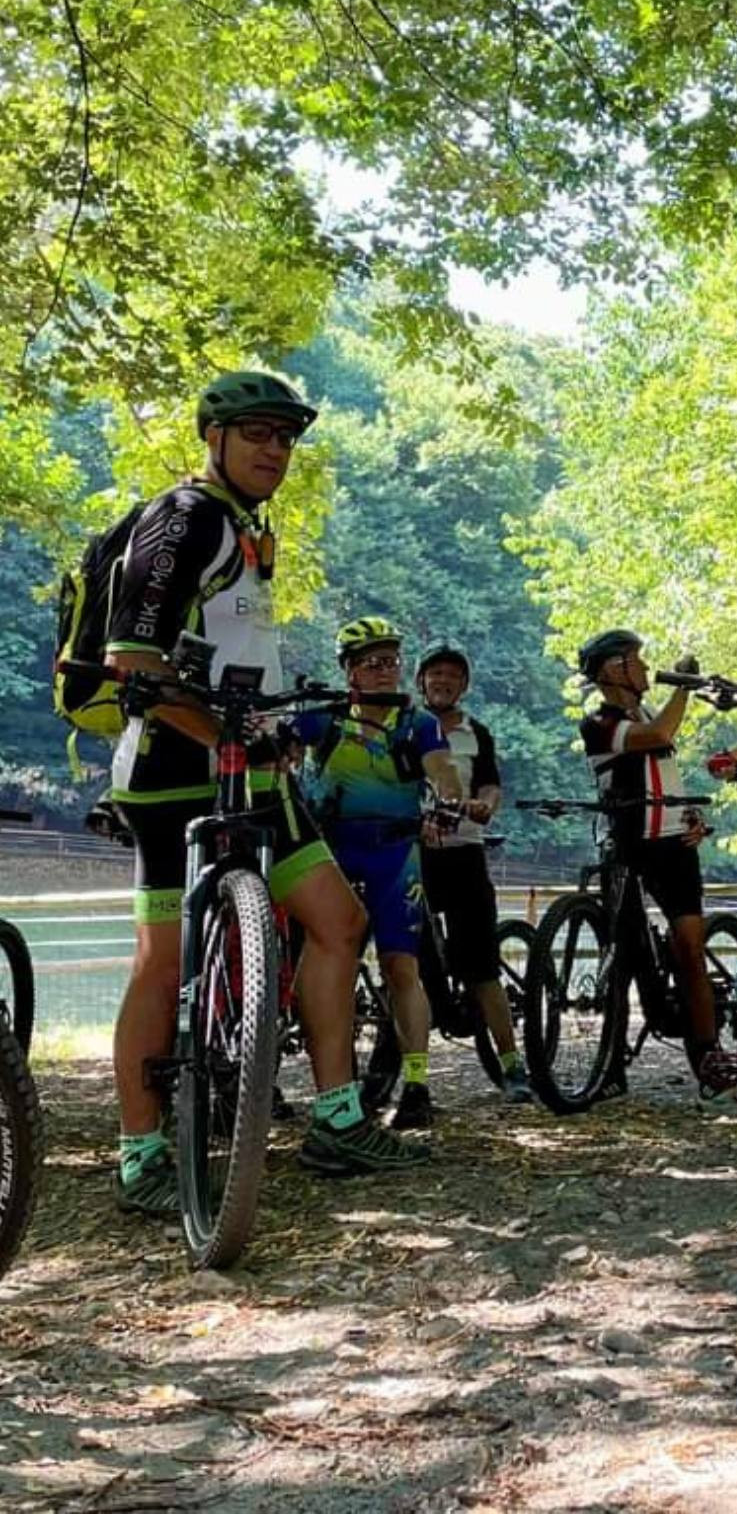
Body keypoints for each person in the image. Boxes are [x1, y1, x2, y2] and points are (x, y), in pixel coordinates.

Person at [105, 372, 426, 1213]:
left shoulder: (245, 526)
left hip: (252, 771)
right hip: (171, 774)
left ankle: (337, 1118)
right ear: (213, 438)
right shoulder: (186, 516)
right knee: (161, 960)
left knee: (339, 921)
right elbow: (131, 659)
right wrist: (218, 732)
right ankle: (141, 1155)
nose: (275, 450)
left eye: (285, 437)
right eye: (256, 433)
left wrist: (262, 735)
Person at [289, 617, 463, 1131]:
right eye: (373, 663)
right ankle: (334, 1086)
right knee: (329, 967)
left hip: (395, 853)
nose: (386, 671)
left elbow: (442, 769)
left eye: (392, 662)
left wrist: (451, 799)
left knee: (401, 967)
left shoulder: (417, 723)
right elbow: (283, 753)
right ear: (349, 671)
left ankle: (417, 1085)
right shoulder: (325, 717)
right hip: (332, 854)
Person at [576, 629, 737, 1099]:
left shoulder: (648, 712)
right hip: (628, 846)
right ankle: (611, 1067)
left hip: (673, 846)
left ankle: (708, 1056)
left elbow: (664, 774)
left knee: (689, 947)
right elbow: (657, 737)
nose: (647, 668)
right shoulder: (599, 722)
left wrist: (691, 817)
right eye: (638, 660)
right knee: (623, 955)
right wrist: (684, 688)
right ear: (614, 670)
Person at [413, 640, 534, 1104]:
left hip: (464, 851)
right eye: (435, 674)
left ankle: (512, 1067)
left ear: (463, 685)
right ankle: (411, 1079)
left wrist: (485, 805)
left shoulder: (476, 731)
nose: (443, 681)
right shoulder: (405, 725)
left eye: (452, 675)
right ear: (421, 681)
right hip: (414, 856)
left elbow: (489, 783)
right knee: (409, 965)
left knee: (482, 967)